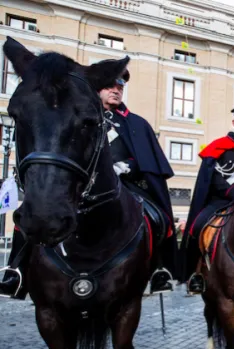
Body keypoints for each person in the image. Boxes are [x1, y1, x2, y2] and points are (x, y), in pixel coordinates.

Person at [0, 68, 177, 297]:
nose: (116, 90)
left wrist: (126, 167)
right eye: (110, 86)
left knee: (157, 217)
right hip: (77, 183)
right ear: (96, 89)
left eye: (120, 86)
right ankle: (17, 271)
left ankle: (158, 269)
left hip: (124, 185)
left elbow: (145, 159)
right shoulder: (74, 114)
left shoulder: (135, 123)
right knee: (31, 214)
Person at [180, 101, 234, 294]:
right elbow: (214, 179)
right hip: (221, 202)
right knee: (196, 227)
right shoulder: (219, 146)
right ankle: (195, 273)